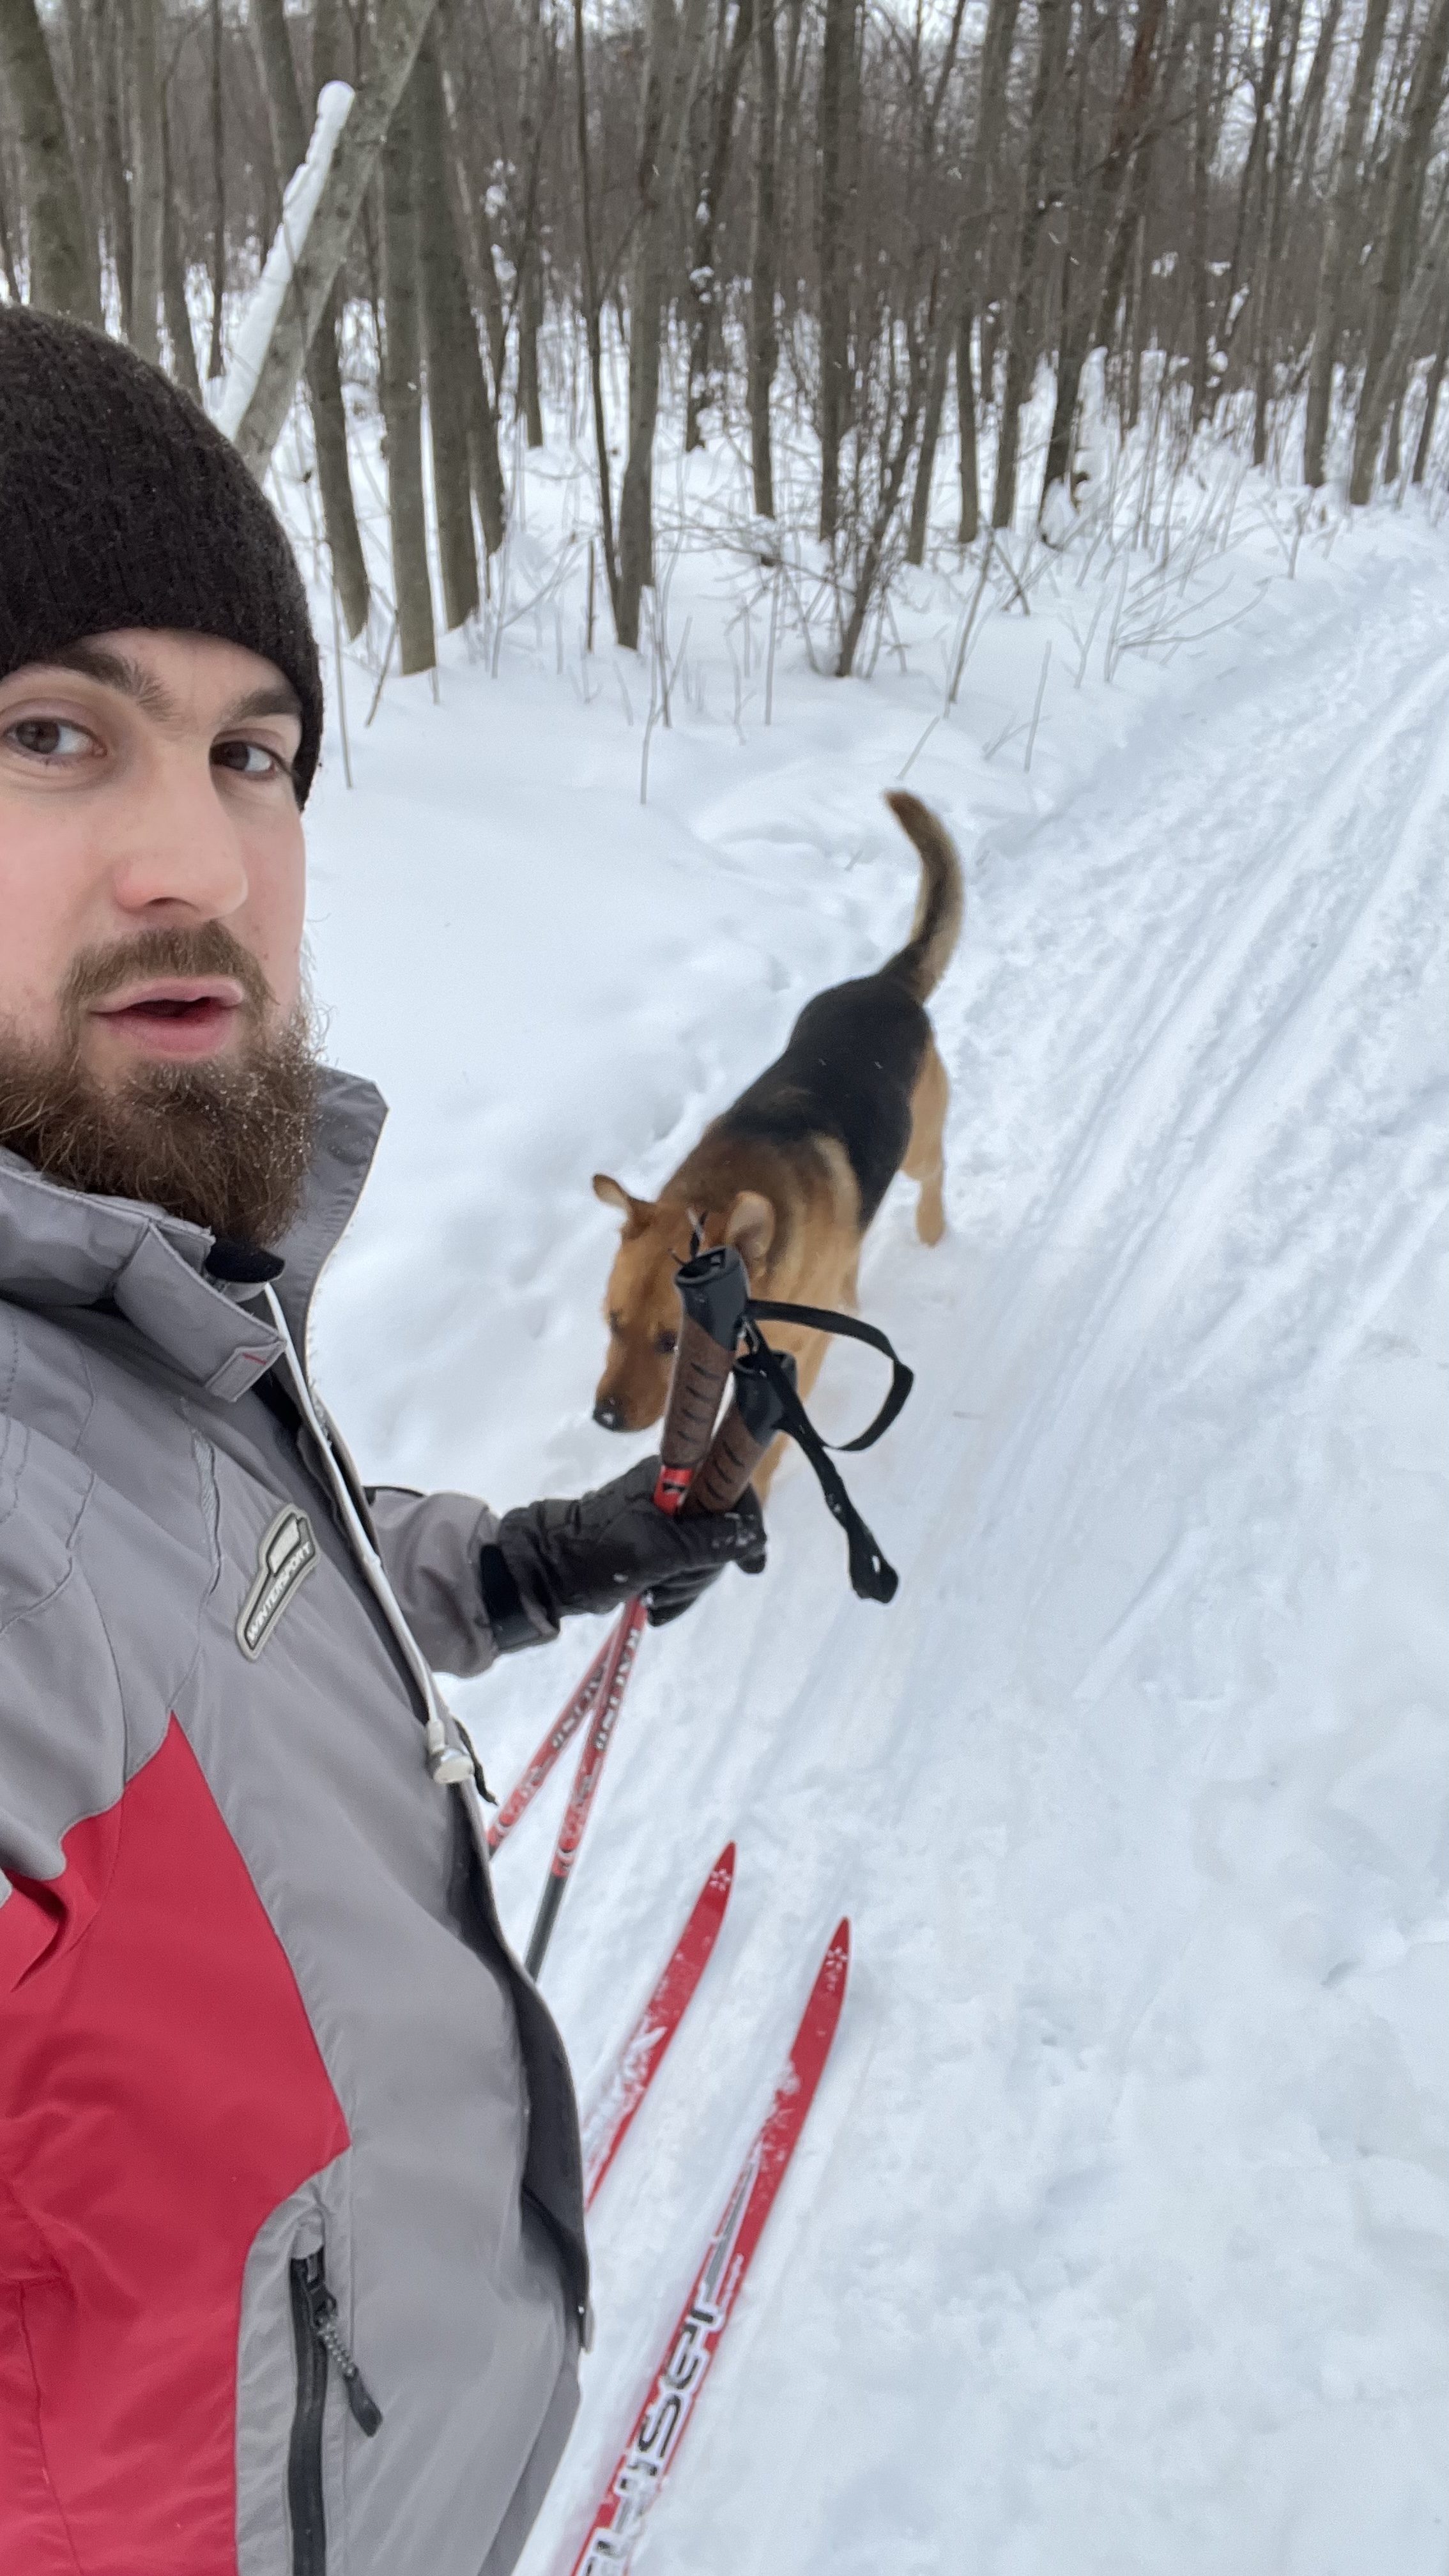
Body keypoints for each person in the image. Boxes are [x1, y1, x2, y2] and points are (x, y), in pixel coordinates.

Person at [0, 308, 765, 2576]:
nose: (199, 863)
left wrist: (521, 1560)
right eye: (56, 732)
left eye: (254, 754)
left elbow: (235, 1589)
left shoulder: (122, 1298)